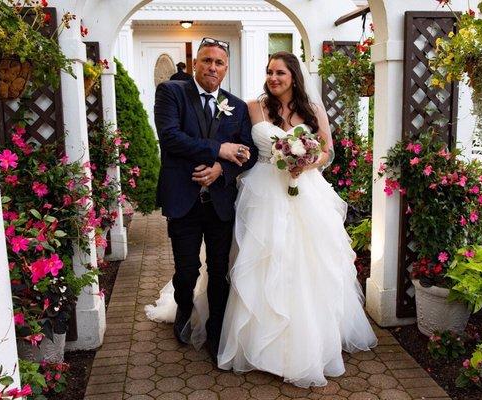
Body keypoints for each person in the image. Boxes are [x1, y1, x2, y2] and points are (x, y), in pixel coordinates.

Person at [216, 51, 378, 387]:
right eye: (270, 72)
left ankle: (308, 341)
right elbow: (244, 147)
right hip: (263, 192)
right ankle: (259, 343)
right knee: (263, 259)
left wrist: (305, 163)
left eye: (281, 73)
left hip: (306, 191)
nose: (273, 78)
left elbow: (327, 151)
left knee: (308, 262)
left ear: (294, 76)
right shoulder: (253, 107)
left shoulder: (312, 110)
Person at [152, 37, 257, 363]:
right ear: (196, 63)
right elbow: (170, 137)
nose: (213, 67)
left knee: (219, 269)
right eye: (207, 60)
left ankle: (215, 333)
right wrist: (219, 149)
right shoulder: (171, 93)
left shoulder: (237, 106)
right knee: (187, 269)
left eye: (219, 63)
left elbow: (249, 154)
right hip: (183, 198)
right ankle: (184, 306)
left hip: (221, 203)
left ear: (226, 68)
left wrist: (221, 170)